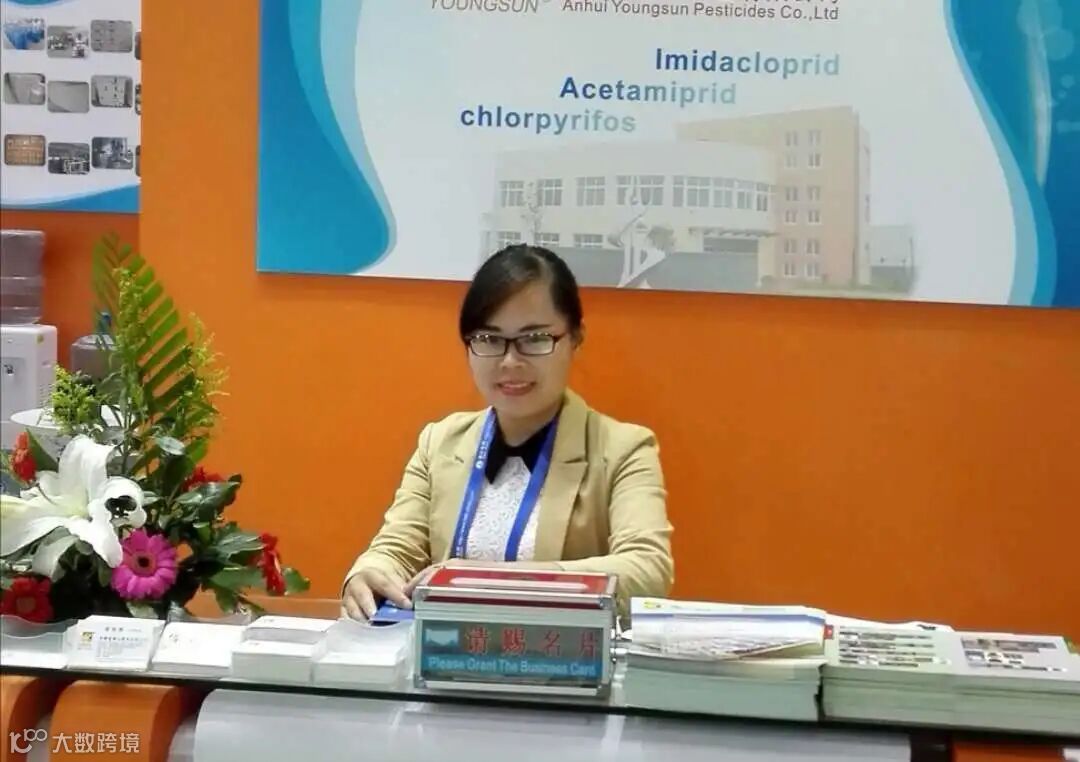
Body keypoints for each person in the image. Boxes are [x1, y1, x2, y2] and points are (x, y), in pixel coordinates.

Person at [341, 245, 673, 619]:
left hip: (559, 650)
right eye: (489, 339)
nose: (510, 361)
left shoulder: (624, 448)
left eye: (535, 338)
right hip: (447, 650)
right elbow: (396, 548)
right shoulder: (440, 442)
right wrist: (369, 571)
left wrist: (491, 580)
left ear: (575, 338)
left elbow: (647, 570)